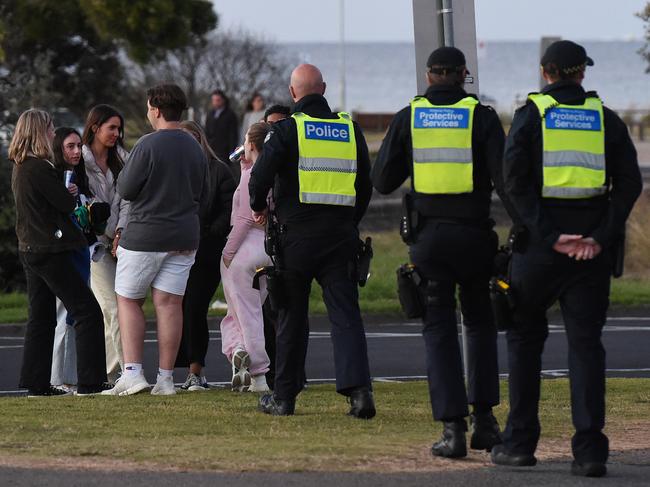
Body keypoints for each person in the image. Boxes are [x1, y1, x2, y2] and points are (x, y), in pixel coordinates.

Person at [490, 41, 642, 478]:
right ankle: (590, 452)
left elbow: (512, 182)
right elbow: (629, 184)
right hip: (591, 253)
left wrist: (552, 236)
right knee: (586, 348)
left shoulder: (530, 116)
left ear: (547, 72)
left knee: (522, 340)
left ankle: (519, 443)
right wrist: (597, 236)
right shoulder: (605, 119)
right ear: (581, 74)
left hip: (539, 250)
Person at [372, 46, 505, 458]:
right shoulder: (481, 117)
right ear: (464, 75)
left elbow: (383, 180)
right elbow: (506, 179)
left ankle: (452, 430)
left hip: (430, 240)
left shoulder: (409, 117)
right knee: (480, 322)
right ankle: (484, 421)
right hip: (475, 236)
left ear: (429, 76)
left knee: (439, 328)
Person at [249, 64, 375, 418]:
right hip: (340, 236)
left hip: (296, 238)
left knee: (291, 316)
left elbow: (259, 178)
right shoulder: (350, 130)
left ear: (293, 94)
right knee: (346, 315)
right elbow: (365, 184)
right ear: (323, 89)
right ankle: (360, 394)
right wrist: (350, 220)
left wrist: (260, 207)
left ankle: (284, 398)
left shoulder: (288, 130)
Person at [104, 84, 209, 396]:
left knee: (128, 299)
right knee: (170, 304)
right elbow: (203, 193)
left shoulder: (148, 144)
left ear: (157, 109)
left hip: (146, 234)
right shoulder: (194, 146)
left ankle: (133, 372)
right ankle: (166, 379)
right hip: (184, 235)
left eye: (149, 107)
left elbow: (126, 188)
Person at [9, 109, 108, 396]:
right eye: (50, 129)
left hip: (30, 247)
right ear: (40, 131)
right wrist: (69, 194)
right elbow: (65, 205)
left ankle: (36, 383)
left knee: (40, 317)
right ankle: (91, 381)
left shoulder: (20, 165)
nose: (53, 133)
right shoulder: (40, 168)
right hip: (50, 249)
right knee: (87, 311)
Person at [175, 120, 235, 391]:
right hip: (176, 251)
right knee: (176, 309)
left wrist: (209, 232)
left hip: (207, 251)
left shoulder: (219, 171)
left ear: (200, 139)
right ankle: (175, 371)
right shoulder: (173, 172)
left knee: (194, 308)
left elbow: (228, 209)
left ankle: (195, 371)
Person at [220, 122, 273, 393]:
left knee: (241, 313)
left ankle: (257, 371)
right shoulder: (274, 173)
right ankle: (240, 350)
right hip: (269, 249)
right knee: (249, 313)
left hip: (243, 252)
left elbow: (242, 218)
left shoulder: (250, 176)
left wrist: (227, 253)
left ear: (250, 145)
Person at [82, 104, 129, 384]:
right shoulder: (80, 160)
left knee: (118, 307)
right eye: (111, 127)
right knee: (112, 307)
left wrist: (120, 231)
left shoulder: (123, 159)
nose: (116, 133)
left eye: (118, 128)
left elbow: (128, 200)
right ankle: (124, 371)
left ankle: (112, 373)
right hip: (93, 246)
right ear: (95, 127)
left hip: (119, 242)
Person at [50, 127, 93, 391]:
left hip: (82, 251)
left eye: (79, 146)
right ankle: (59, 379)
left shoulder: (79, 176)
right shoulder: (52, 177)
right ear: (58, 148)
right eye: (70, 146)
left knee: (76, 316)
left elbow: (84, 216)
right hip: (63, 251)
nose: (77, 151)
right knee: (64, 315)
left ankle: (71, 377)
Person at [205, 89, 239, 177]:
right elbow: (207, 132)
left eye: (218, 100)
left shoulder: (230, 115)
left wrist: (231, 153)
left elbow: (233, 135)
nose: (215, 103)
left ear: (223, 100)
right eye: (214, 100)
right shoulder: (210, 114)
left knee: (223, 174)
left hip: (225, 152)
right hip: (212, 150)